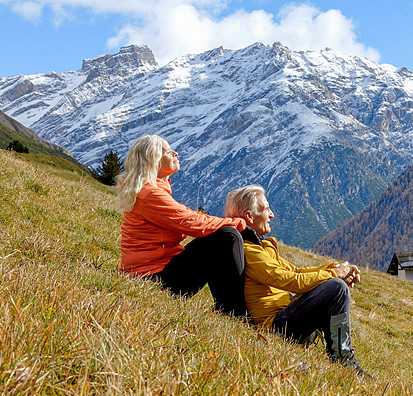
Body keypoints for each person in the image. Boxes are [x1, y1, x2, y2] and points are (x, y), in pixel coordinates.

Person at [224, 185, 369, 376]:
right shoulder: (249, 251)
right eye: (266, 209)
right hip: (274, 326)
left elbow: (297, 271)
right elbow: (292, 281)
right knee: (336, 288)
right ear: (249, 217)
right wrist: (336, 275)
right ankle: (343, 360)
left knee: (335, 285)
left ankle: (342, 356)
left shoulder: (261, 247)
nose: (272, 214)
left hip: (282, 317)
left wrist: (335, 268)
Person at [118, 135, 248, 316]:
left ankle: (230, 309)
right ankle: (235, 313)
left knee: (225, 234)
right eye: (168, 151)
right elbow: (191, 222)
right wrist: (238, 223)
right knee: (227, 237)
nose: (175, 153)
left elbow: (188, 215)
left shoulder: (149, 190)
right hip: (151, 278)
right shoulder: (149, 194)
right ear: (153, 158)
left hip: (152, 272)